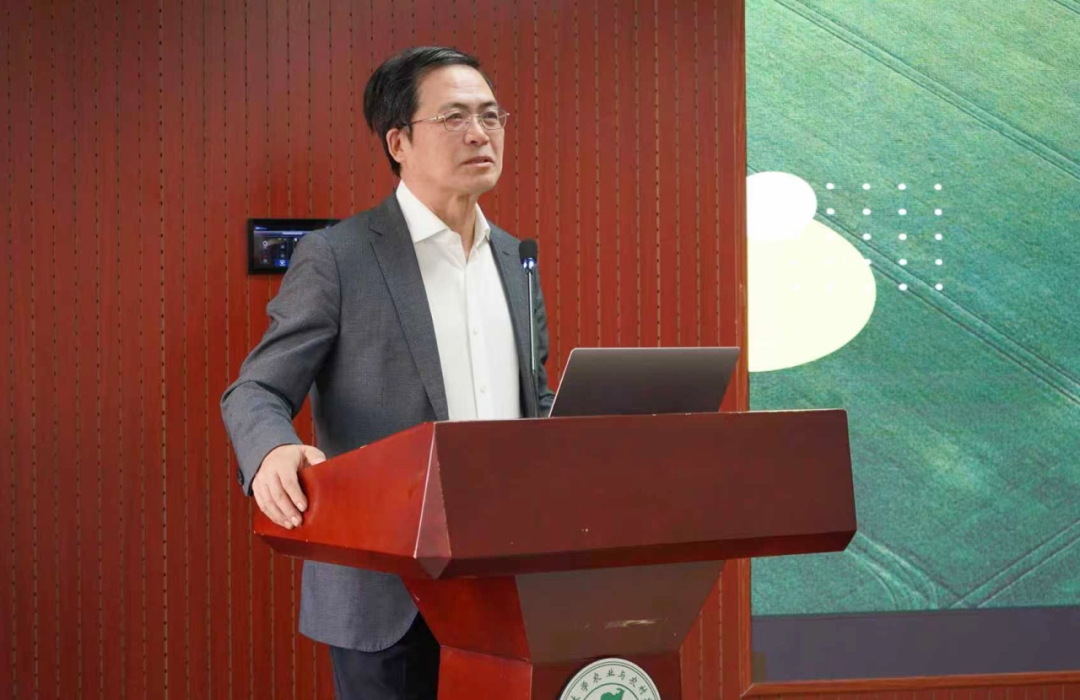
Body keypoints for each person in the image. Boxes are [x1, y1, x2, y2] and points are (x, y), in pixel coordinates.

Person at [220, 46, 555, 700]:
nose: (480, 133)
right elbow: (256, 389)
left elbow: (531, 401)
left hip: (506, 584)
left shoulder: (516, 259)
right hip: (387, 596)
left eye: (491, 115)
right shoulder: (339, 257)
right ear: (398, 142)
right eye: (454, 117)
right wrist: (271, 452)